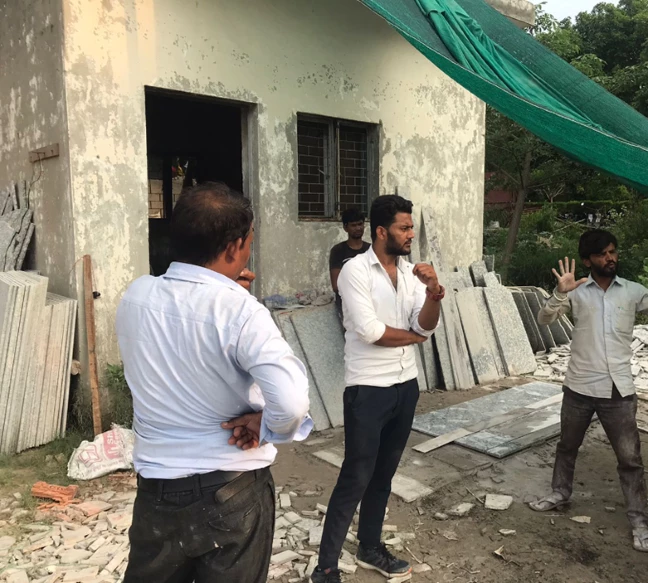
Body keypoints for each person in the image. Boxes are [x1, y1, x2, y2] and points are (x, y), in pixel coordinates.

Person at [117, 182, 312, 583]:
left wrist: (225, 293)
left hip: (157, 494)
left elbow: (185, 328)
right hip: (232, 492)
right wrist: (265, 425)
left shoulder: (135, 295)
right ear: (233, 248)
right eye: (249, 243)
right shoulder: (242, 312)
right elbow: (291, 405)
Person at [310, 195, 444, 583]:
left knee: (384, 475)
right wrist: (416, 337)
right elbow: (370, 331)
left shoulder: (410, 274)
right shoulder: (355, 271)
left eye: (411, 227)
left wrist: (433, 290)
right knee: (356, 476)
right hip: (368, 390)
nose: (410, 234)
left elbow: (427, 325)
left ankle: (370, 547)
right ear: (381, 231)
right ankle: (327, 567)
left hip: (406, 387)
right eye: (404, 228)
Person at [528, 229, 648, 553]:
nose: (610, 258)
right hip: (579, 388)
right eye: (602, 254)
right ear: (588, 260)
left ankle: (639, 519)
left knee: (630, 459)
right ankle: (560, 493)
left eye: (613, 252)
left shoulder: (632, 291)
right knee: (567, 446)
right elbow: (544, 319)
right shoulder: (577, 291)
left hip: (619, 392)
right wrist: (559, 294)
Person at [329, 208, 371, 324]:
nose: (358, 228)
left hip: (370, 302)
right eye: (353, 225)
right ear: (345, 228)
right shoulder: (338, 251)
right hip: (347, 304)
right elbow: (336, 285)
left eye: (360, 224)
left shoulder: (371, 250)